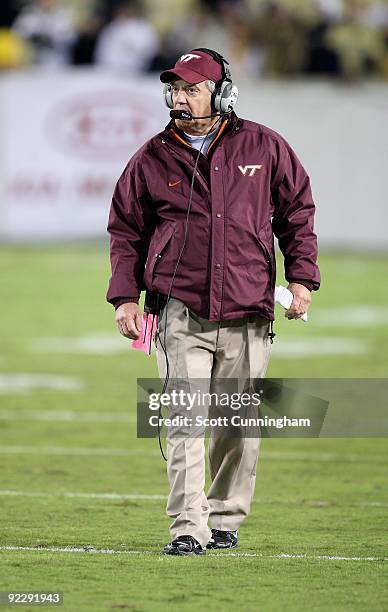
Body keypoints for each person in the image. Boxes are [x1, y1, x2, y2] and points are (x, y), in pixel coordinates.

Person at [106, 48, 320, 556]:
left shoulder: (265, 146)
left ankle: (224, 516)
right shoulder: (152, 156)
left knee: (238, 428)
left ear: (221, 92)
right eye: (175, 89)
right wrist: (124, 298)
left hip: (249, 310)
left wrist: (303, 278)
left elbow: (297, 212)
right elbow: (125, 231)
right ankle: (187, 526)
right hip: (179, 310)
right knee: (184, 423)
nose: (180, 97)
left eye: (192, 88)